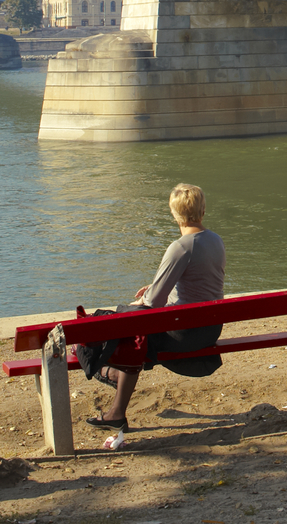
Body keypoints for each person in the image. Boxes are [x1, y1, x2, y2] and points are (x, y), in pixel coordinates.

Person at [88, 183, 226, 430]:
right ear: (203, 210)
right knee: (137, 327)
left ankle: (116, 398)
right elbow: (197, 284)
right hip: (210, 327)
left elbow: (154, 303)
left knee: (133, 330)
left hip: (186, 333)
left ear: (175, 215)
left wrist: (139, 301)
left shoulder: (181, 247)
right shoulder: (216, 241)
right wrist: (153, 288)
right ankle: (118, 391)